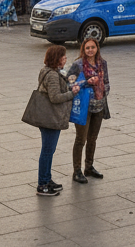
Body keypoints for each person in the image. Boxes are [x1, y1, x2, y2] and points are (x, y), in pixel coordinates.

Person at [31, 44, 82, 196]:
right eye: (63, 56)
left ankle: (47, 178)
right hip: (50, 118)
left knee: (49, 150)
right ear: (57, 58)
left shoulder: (49, 71)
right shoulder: (52, 74)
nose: (66, 59)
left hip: (48, 117)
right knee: (47, 151)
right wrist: (72, 94)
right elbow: (55, 98)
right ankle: (43, 185)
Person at [67, 38, 110, 182]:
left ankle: (89, 166)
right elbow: (68, 83)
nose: (90, 50)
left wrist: (103, 91)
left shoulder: (102, 64)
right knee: (81, 139)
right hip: (83, 107)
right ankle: (77, 171)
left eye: (92, 47)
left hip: (98, 106)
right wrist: (86, 83)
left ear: (97, 48)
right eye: (87, 48)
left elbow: (106, 83)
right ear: (83, 50)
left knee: (93, 138)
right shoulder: (78, 65)